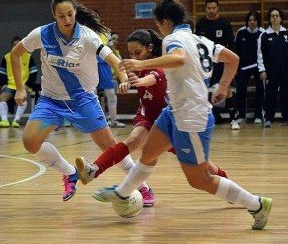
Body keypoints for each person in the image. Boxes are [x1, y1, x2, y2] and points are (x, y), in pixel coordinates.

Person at [93, 0, 272, 230]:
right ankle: (123, 192)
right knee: (149, 153)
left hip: (192, 117)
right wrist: (223, 86)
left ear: (165, 22)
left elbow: (179, 59)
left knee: (200, 180)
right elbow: (233, 59)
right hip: (174, 111)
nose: (160, 31)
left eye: (159, 25)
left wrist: (141, 63)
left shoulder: (171, 39)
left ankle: (257, 204)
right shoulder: (201, 40)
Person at [76, 29, 228, 207]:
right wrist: (126, 81)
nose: (134, 57)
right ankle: (94, 170)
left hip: (170, 122)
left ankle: (229, 187)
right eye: (131, 53)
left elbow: (153, 78)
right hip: (148, 117)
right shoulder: (136, 65)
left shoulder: (160, 64)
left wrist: (139, 81)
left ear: (149, 48)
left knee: (205, 168)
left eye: (137, 53)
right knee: (132, 141)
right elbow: (127, 75)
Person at [10, 0, 136, 202]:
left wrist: (123, 77)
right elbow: (16, 53)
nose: (67, 20)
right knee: (30, 142)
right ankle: (69, 172)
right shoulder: (41, 34)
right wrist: (20, 88)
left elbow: (113, 59)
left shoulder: (88, 36)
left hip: (83, 100)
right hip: (51, 100)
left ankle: (141, 185)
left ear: (75, 12)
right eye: (61, 16)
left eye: (70, 14)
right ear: (54, 15)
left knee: (110, 146)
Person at [195, 0, 239, 130]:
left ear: (218, 8)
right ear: (205, 8)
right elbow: (197, 44)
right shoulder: (201, 23)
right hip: (206, 63)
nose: (211, 10)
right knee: (204, 90)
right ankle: (209, 118)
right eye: (209, 8)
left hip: (222, 62)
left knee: (227, 89)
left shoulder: (224, 23)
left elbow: (231, 44)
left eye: (214, 8)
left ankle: (234, 119)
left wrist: (232, 65)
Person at [0, 36, 38, 128]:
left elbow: (33, 72)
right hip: (11, 85)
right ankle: (4, 121)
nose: (16, 46)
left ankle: (16, 121)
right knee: (2, 97)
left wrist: (28, 85)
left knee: (23, 99)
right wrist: (3, 84)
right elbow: (2, 72)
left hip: (24, 86)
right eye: (14, 45)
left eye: (18, 44)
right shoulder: (7, 57)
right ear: (12, 46)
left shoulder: (28, 56)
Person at [257, 7, 288, 127]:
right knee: (270, 95)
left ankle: (286, 118)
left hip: (286, 71)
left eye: (277, 15)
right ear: (269, 19)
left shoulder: (286, 33)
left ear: (281, 18)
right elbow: (260, 54)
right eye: (272, 16)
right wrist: (262, 70)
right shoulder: (264, 36)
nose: (275, 18)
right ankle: (268, 118)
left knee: (286, 94)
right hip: (271, 71)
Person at [234, 11, 265, 124]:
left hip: (258, 67)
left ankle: (258, 115)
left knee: (260, 90)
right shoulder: (241, 32)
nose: (252, 22)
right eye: (250, 20)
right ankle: (241, 115)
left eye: (254, 20)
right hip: (243, 67)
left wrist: (264, 69)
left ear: (258, 21)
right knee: (240, 89)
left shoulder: (263, 33)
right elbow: (235, 51)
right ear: (247, 21)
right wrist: (236, 68)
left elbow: (265, 52)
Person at [95, 14, 125, 128]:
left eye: (97, 17)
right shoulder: (85, 32)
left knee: (111, 94)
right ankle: (94, 121)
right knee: (91, 94)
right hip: (92, 65)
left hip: (104, 64)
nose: (95, 19)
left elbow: (111, 49)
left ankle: (114, 121)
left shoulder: (105, 32)